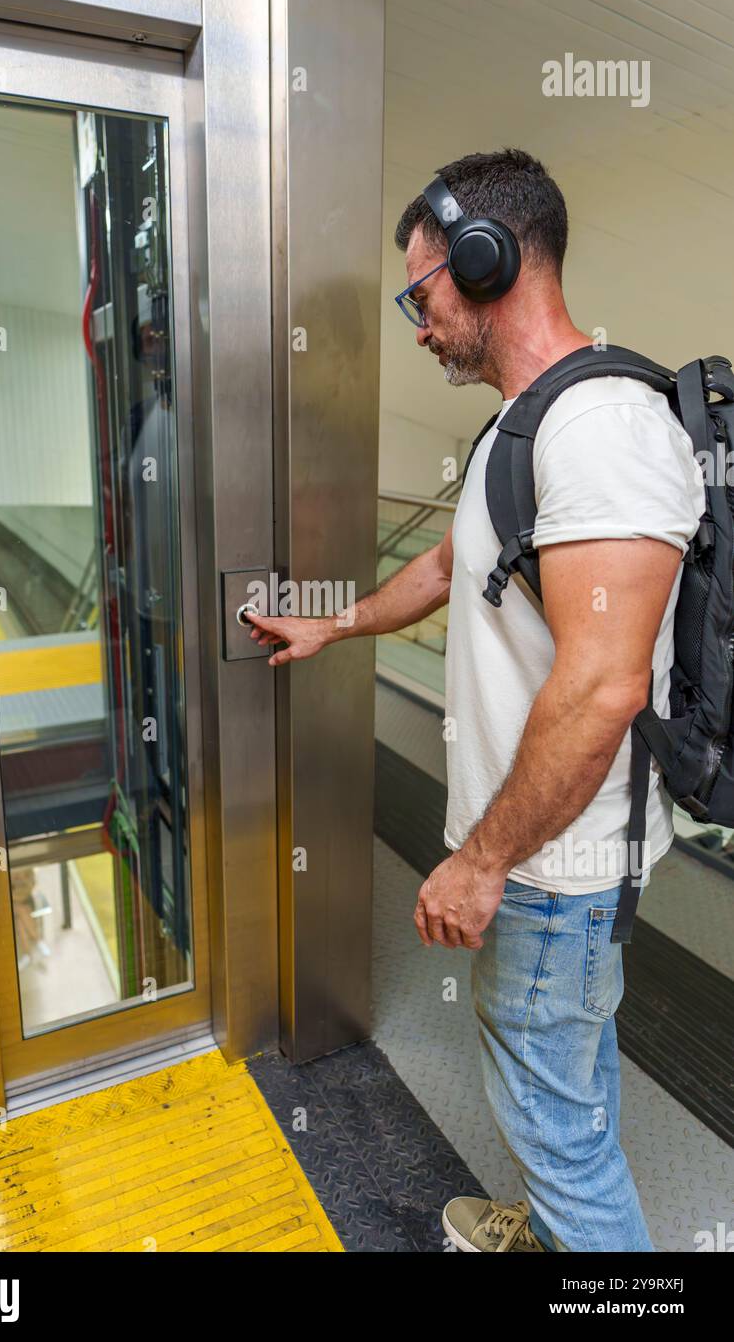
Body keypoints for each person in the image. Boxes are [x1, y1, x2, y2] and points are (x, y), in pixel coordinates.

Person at [246, 148, 704, 1253]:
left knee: (559, 1130)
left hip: (553, 866)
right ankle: (550, 1225)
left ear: (486, 261)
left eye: (421, 291)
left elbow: (602, 685)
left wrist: (481, 859)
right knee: (562, 1088)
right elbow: (457, 567)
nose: (416, 321)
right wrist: (339, 621)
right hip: (540, 860)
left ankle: (573, 1234)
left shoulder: (599, 429)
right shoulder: (522, 422)